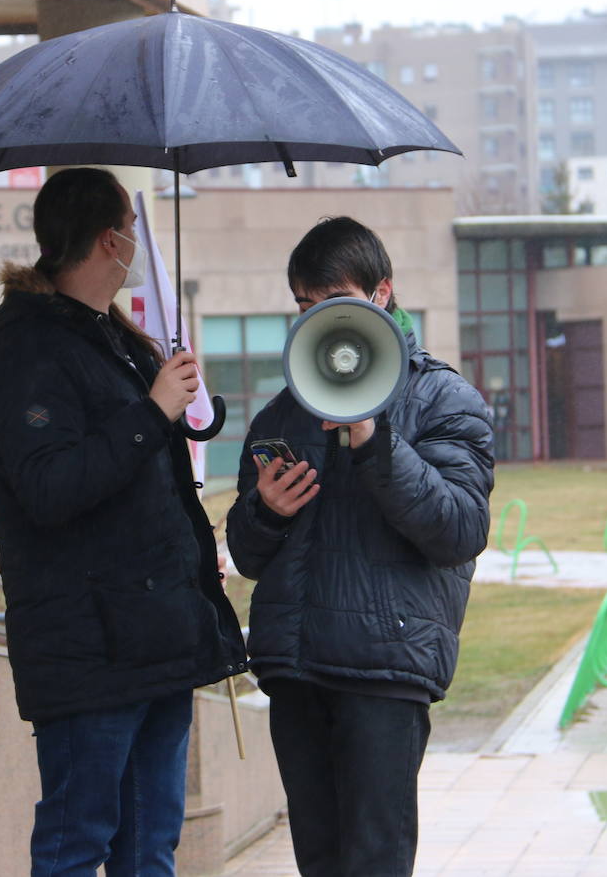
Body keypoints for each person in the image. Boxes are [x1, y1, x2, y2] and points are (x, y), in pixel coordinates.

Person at [0, 167, 247, 877]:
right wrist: (150, 410)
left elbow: (143, 482)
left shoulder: (111, 338)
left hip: (154, 639)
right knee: (77, 845)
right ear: (108, 239)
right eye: (130, 226)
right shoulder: (30, 348)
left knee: (149, 849)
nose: (135, 240)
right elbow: (50, 488)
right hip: (90, 652)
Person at [226, 216, 495, 877]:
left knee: (374, 860)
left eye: (333, 301)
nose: (315, 319)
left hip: (385, 667)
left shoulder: (441, 399)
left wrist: (375, 442)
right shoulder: (283, 413)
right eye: (303, 306)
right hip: (295, 668)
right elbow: (247, 550)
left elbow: (460, 529)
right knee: (319, 861)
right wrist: (265, 511)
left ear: (382, 294)